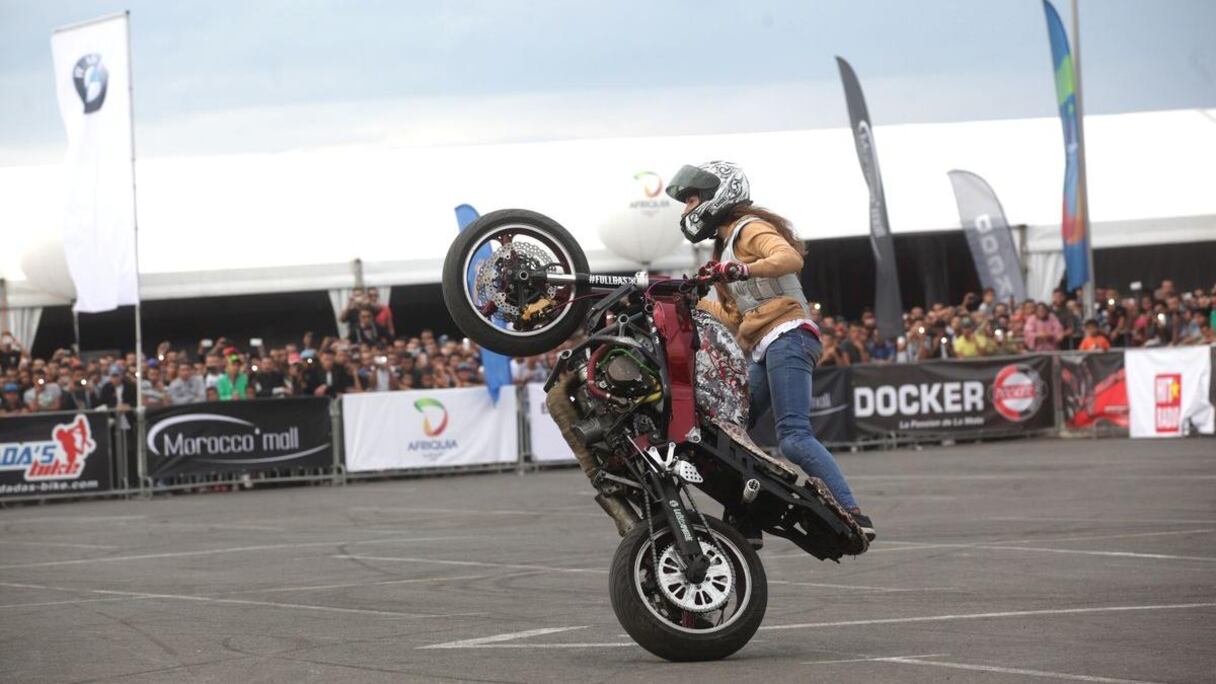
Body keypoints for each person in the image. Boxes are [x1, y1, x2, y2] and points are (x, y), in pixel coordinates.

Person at [667, 160, 873, 542]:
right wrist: (691, 299)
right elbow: (734, 317)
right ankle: (746, 522)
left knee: (793, 435)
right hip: (765, 345)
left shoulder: (749, 228)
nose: (686, 211)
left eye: (691, 200)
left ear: (717, 196)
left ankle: (852, 512)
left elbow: (789, 257)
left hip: (789, 334)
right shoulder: (726, 250)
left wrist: (744, 270)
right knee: (730, 434)